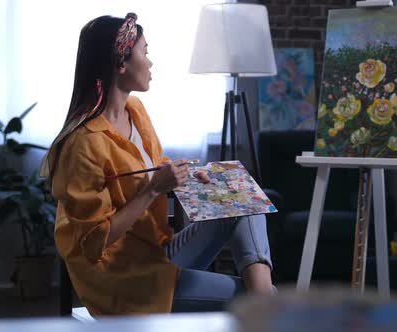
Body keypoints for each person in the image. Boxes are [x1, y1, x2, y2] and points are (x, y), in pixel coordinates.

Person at [40, 13, 273, 316]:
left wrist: (186, 175)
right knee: (255, 300)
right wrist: (152, 190)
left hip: (157, 254)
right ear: (120, 63)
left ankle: (265, 296)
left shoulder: (135, 111)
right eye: (145, 53)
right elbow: (92, 244)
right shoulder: (83, 143)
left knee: (242, 197)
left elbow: (153, 165)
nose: (151, 63)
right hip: (123, 281)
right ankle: (267, 301)